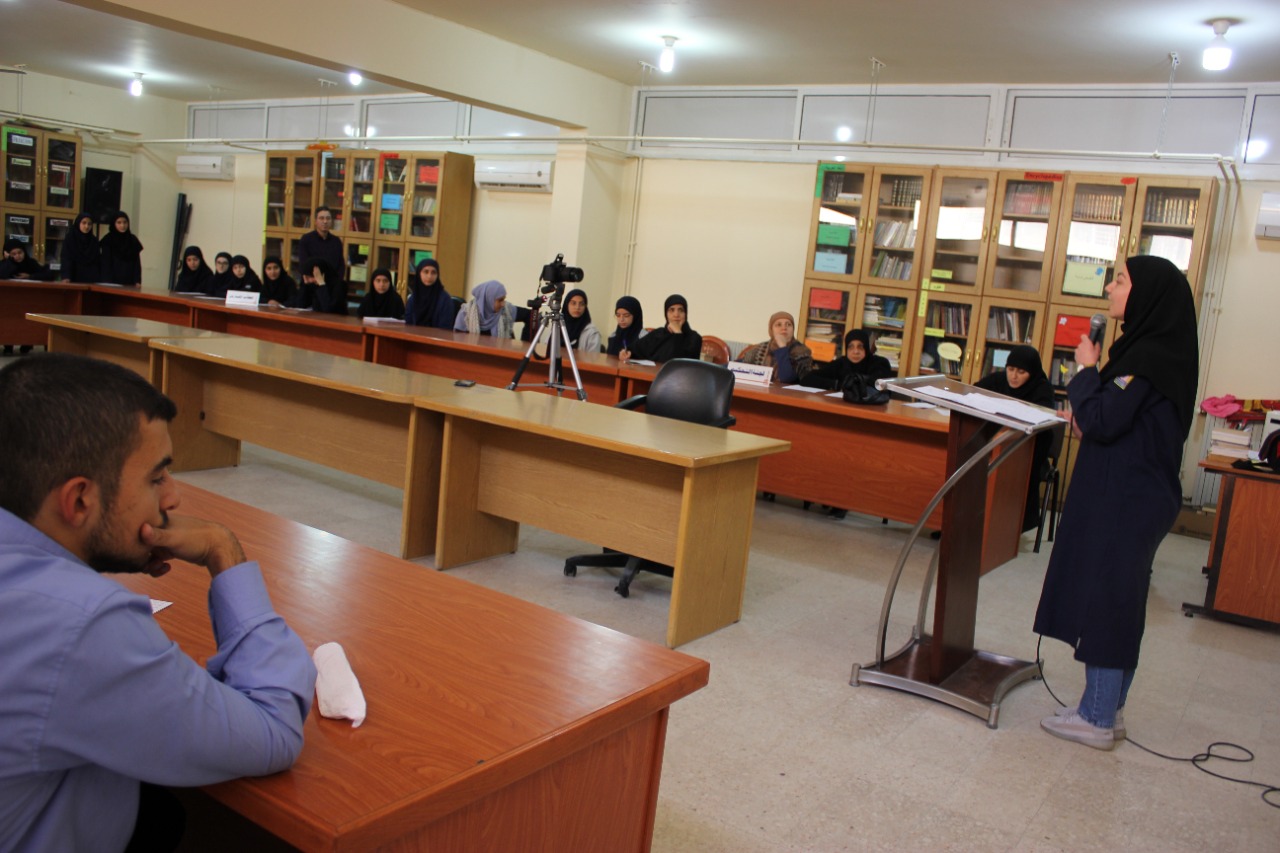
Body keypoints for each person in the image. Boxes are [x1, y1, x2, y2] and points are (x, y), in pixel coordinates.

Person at [0, 353, 316, 851]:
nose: (172, 498)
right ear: (79, 500)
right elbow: (272, 731)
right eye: (156, 478)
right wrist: (222, 549)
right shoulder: (83, 627)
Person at [1034, 255, 1199, 751]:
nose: (1110, 288)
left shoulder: (1148, 358)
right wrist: (1091, 411)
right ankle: (1105, 708)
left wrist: (1086, 370)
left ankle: (1098, 717)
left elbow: (1105, 421)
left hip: (1128, 498)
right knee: (1119, 601)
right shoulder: (1153, 352)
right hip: (1133, 493)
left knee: (1108, 601)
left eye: (1121, 280)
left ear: (1147, 293)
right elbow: (1117, 421)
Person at [975, 344, 1056, 532]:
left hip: (1027, 451)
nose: (1013, 376)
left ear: (1032, 372)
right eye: (1010, 369)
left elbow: (1043, 418)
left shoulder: (1042, 388)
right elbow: (974, 392)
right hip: (993, 444)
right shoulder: (999, 379)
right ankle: (969, 522)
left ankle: (1005, 526)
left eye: (1021, 372)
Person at [802, 329, 893, 390]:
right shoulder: (841, 363)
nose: (855, 351)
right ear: (846, 349)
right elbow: (807, 378)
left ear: (866, 348)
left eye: (860, 347)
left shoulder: (880, 363)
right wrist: (836, 385)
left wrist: (847, 386)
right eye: (851, 347)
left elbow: (878, 384)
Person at [736, 311, 814, 383]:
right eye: (778, 325)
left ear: (793, 329)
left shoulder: (802, 352)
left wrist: (782, 348)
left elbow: (786, 378)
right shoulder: (759, 350)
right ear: (771, 330)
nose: (784, 328)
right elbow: (737, 367)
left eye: (788, 324)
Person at [629, 294, 701, 362]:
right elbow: (634, 350)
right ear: (666, 314)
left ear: (685, 314)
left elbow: (682, 363)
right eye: (672, 310)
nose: (676, 315)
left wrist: (678, 333)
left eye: (681, 310)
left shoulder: (694, 338)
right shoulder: (658, 334)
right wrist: (627, 353)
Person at [297, 205, 344, 292]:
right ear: (315, 221)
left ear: (331, 221)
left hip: (331, 286)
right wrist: (316, 280)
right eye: (321, 218)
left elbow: (341, 266)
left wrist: (337, 283)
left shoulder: (336, 241)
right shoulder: (306, 239)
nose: (325, 221)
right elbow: (303, 265)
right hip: (311, 285)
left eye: (328, 218)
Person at [404, 258, 455, 329]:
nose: (429, 276)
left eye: (433, 273)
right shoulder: (413, 299)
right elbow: (408, 325)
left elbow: (445, 329)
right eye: (426, 272)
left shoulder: (445, 300)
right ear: (419, 274)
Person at [98, 211, 143, 286]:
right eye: (119, 222)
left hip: (130, 283)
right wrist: (107, 282)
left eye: (125, 222)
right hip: (112, 282)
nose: (122, 225)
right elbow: (105, 264)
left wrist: (137, 280)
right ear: (114, 224)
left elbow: (137, 263)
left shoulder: (132, 240)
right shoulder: (108, 240)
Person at [59, 212, 101, 283]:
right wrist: (66, 276)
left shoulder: (94, 241)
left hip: (91, 279)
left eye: (89, 224)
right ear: (78, 223)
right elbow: (66, 258)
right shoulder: (70, 239)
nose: (86, 226)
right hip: (73, 277)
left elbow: (97, 262)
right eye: (84, 223)